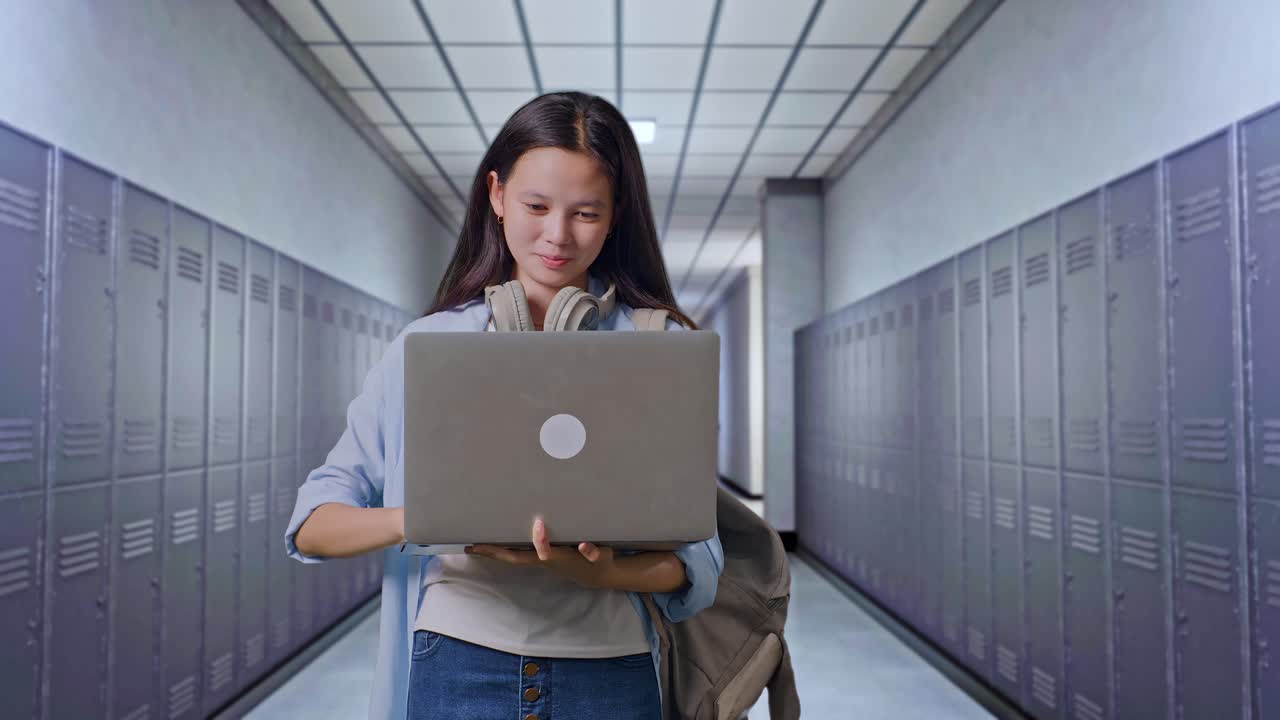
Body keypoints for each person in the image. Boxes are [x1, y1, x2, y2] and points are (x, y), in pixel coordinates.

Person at [285, 91, 724, 720]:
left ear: (616, 216)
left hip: (610, 668)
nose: (557, 236)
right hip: (457, 660)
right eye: (536, 207)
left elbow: (697, 562)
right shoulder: (428, 347)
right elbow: (313, 524)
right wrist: (430, 518)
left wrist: (599, 573)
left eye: (586, 213)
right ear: (496, 195)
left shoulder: (660, 347)